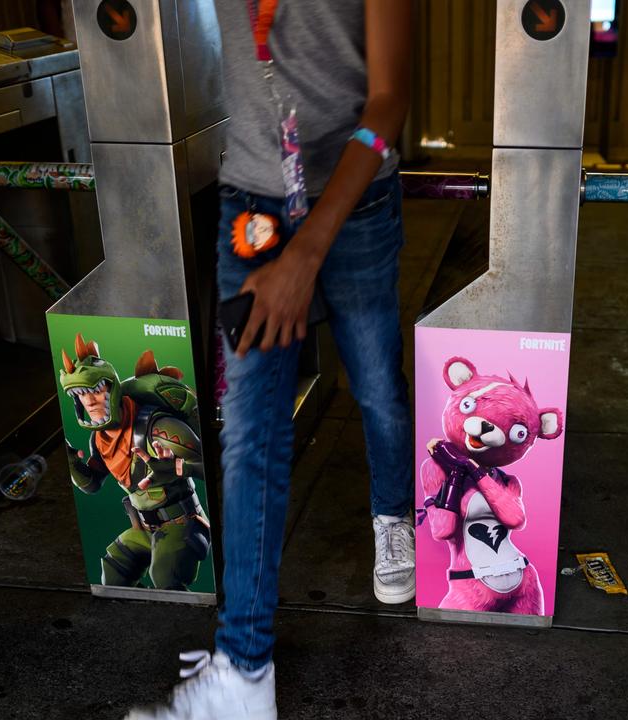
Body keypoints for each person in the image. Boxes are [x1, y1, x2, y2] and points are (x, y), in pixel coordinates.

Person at [129, 1, 414, 718]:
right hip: (251, 205)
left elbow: (389, 102)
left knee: (376, 384)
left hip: (358, 204)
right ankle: (245, 670)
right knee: (251, 430)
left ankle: (391, 513)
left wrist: (308, 253)